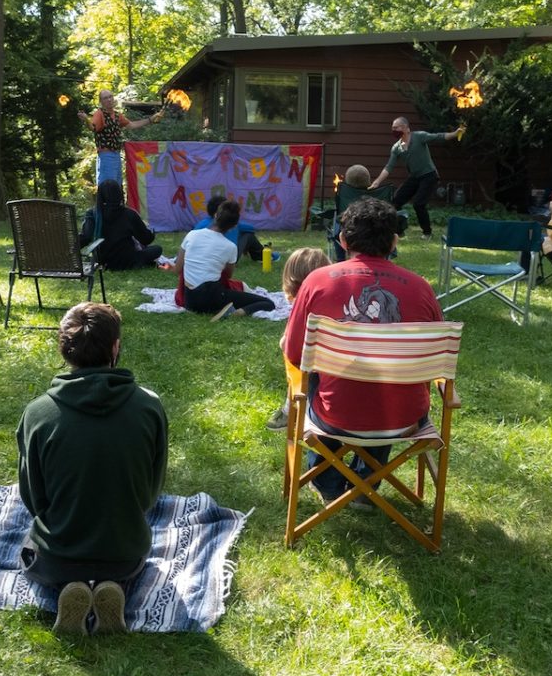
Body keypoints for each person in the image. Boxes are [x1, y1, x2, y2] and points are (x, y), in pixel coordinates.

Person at [16, 302, 168, 636]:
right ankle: (113, 589)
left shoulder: (38, 413)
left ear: (64, 349)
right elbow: (150, 491)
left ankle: (67, 592)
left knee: (32, 550)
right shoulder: (149, 406)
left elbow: (33, 497)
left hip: (57, 553)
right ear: (115, 347)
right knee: (121, 566)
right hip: (125, 551)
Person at [283, 197, 445, 504]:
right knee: (385, 379)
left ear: (343, 240)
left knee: (327, 378)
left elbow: (294, 353)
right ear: (395, 241)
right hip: (404, 419)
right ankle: (367, 484)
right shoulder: (421, 288)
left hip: (336, 417)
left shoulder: (317, 282)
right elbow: (436, 364)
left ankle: (327, 479)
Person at [265, 247, 331, 432]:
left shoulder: (303, 306)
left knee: (299, 360)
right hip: (399, 415)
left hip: (325, 390)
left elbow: (290, 349)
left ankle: (290, 408)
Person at [176, 199, 274, 319]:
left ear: (216, 215)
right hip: (213, 298)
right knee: (268, 303)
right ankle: (236, 313)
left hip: (189, 301)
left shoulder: (192, 235)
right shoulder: (230, 247)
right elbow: (227, 275)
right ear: (234, 226)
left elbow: (178, 268)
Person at [369, 116, 460, 239]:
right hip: (415, 177)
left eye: (396, 128)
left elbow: (438, 137)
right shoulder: (396, 148)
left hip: (429, 175)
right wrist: (377, 181)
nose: (394, 130)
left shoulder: (419, 136)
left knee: (418, 204)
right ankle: (399, 231)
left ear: (406, 128)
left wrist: (455, 134)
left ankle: (427, 233)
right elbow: (388, 167)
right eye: (392, 128)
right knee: (395, 202)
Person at [79, 89, 161, 188]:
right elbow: (93, 127)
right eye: (105, 98)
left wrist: (150, 119)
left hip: (116, 154)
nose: (109, 100)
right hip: (106, 155)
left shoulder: (117, 115)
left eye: (110, 97)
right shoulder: (99, 114)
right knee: (108, 187)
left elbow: (132, 125)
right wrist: (86, 120)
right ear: (101, 102)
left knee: (117, 187)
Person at [78, 179, 163, 271]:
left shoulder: (92, 214)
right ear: (119, 193)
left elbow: (86, 238)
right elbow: (146, 239)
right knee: (157, 249)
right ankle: (142, 262)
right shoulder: (129, 214)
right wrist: (152, 232)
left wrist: (68, 250)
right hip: (127, 259)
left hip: (103, 260)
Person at [190, 193, 263, 261]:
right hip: (225, 259)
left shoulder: (200, 224)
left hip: (201, 257)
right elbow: (251, 228)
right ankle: (262, 256)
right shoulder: (233, 224)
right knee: (248, 235)